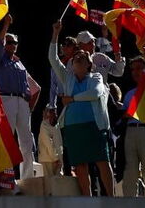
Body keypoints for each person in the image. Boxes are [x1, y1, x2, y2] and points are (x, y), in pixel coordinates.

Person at [49, 21, 114, 196]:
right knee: (80, 165)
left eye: (82, 58)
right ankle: (87, 199)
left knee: (102, 162)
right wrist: (55, 34)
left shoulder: (96, 77)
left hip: (94, 126)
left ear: (88, 64)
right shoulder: (67, 78)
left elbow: (96, 93)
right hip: (73, 128)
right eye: (75, 57)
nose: (77, 58)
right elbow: (53, 59)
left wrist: (72, 99)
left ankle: (113, 199)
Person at [0, 14, 36, 181]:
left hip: (22, 101)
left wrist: (28, 103)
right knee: (7, 139)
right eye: (9, 42)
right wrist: (6, 25)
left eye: (14, 43)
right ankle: (6, 178)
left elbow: (33, 87)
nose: (12, 45)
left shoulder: (19, 63)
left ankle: (27, 178)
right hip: (7, 99)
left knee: (26, 140)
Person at [120, 56, 145, 197]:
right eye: (133, 69)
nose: (135, 72)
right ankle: (129, 203)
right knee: (130, 171)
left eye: (139, 68)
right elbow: (124, 115)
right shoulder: (129, 94)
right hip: (131, 132)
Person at [37, 107, 64, 179]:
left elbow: (59, 143)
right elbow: (48, 143)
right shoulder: (44, 125)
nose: (54, 114)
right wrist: (55, 158)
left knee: (54, 182)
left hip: (56, 160)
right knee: (49, 182)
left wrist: (59, 159)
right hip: (48, 160)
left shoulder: (56, 125)